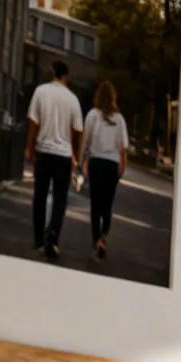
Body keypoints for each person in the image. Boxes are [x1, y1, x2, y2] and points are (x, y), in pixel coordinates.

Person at [25, 60, 83, 262]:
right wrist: (76, 155)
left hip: (44, 151)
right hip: (63, 156)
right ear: (65, 76)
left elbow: (33, 122)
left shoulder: (41, 92)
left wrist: (30, 148)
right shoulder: (73, 99)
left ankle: (38, 240)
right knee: (60, 198)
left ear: (53, 73)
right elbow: (78, 131)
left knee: (39, 196)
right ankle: (53, 234)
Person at [80, 81, 129, 262]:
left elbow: (86, 140)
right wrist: (121, 167)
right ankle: (103, 236)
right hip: (111, 166)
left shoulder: (92, 115)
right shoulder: (120, 119)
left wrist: (82, 160)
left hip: (96, 163)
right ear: (113, 98)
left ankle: (95, 241)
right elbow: (123, 147)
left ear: (98, 96)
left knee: (95, 204)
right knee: (107, 205)